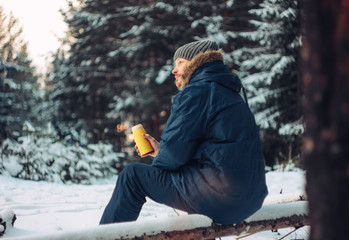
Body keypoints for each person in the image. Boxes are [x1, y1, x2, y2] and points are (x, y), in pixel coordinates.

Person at [99, 40, 268, 225]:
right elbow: (215, 152)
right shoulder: (232, 94)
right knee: (198, 184)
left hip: (219, 198)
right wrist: (159, 151)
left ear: (197, 61)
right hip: (250, 199)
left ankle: (108, 236)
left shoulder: (196, 92)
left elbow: (173, 155)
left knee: (132, 176)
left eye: (180, 62)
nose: (174, 70)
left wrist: (163, 155)